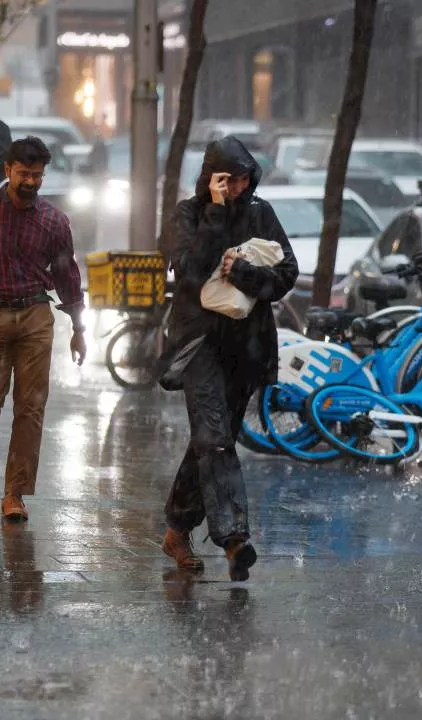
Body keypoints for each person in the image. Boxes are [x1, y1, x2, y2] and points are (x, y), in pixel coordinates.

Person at [158, 136, 297, 581]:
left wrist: (241, 272)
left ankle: (178, 529)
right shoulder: (188, 215)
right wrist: (215, 214)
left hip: (247, 346)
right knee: (214, 439)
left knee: (211, 442)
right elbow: (190, 272)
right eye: (227, 180)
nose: (236, 188)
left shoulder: (261, 214)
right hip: (200, 346)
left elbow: (286, 274)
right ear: (211, 178)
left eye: (241, 180)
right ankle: (234, 539)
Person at [0, 136, 87, 523]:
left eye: (37, 176)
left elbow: (67, 275)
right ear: (7, 171)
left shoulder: (54, 221)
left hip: (35, 318)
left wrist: (78, 327)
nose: (31, 182)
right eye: (24, 174)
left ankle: (16, 493)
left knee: (31, 408)